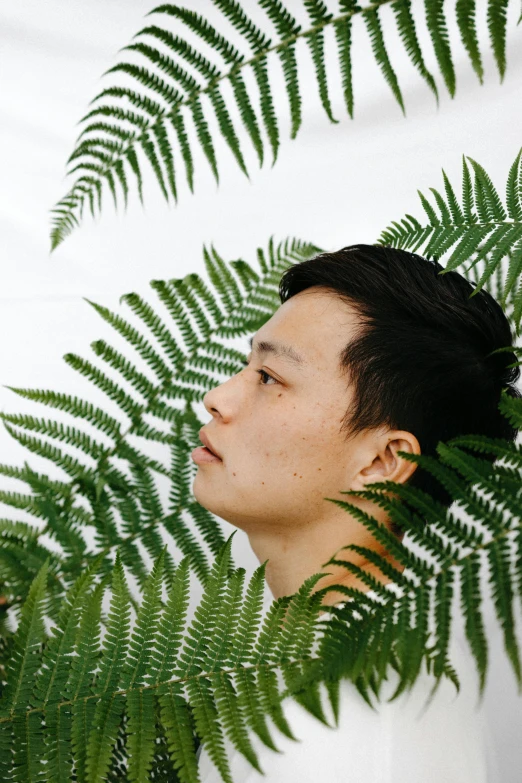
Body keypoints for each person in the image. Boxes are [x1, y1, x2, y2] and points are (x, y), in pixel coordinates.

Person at [191, 244, 521, 782]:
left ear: (384, 460)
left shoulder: (327, 738)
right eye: (246, 366)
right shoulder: (375, 644)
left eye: (270, 378)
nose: (217, 397)